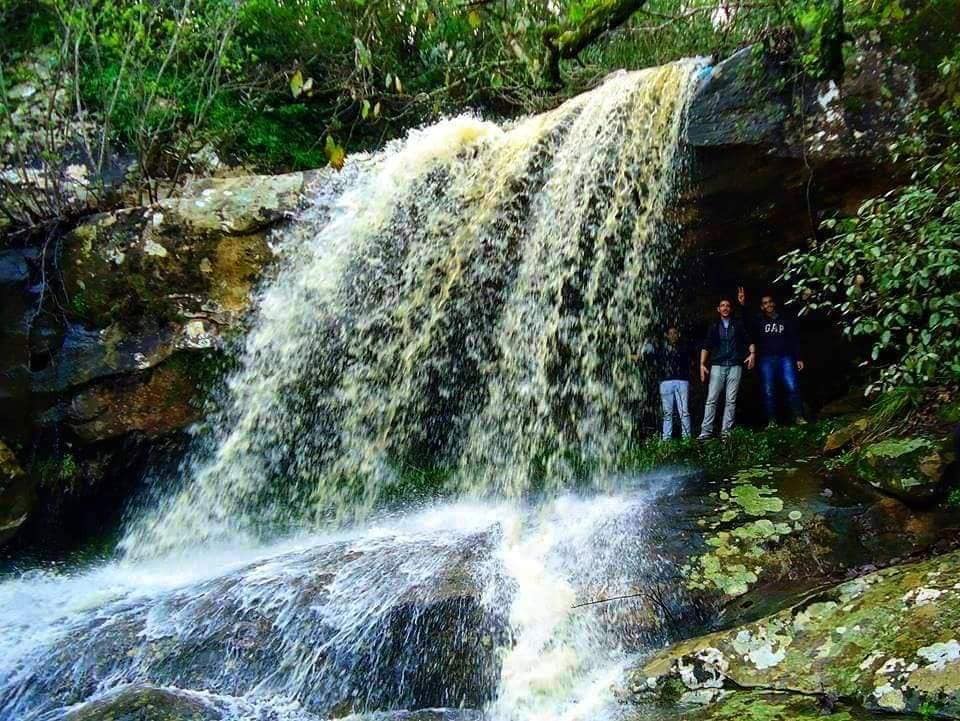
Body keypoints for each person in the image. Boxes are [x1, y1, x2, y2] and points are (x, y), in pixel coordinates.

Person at [737, 287, 806, 426]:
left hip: (785, 357)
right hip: (766, 359)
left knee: (792, 386)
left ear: (773, 304)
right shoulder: (759, 320)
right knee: (768, 389)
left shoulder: (784, 319)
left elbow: (793, 338)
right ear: (762, 307)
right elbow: (746, 323)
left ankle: (798, 417)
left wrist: (798, 357)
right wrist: (743, 305)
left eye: (770, 302)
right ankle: (772, 421)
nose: (768, 305)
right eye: (765, 303)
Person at [698, 297, 755, 440]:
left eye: (727, 306)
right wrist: (702, 364)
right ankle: (706, 432)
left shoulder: (737, 325)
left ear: (730, 309)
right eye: (722, 305)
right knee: (711, 399)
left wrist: (752, 354)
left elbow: (749, 340)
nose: (725, 308)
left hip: (735, 365)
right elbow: (706, 345)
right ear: (718, 309)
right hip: (717, 365)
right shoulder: (714, 326)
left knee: (731, 400)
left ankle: (726, 432)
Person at [656, 326, 693, 440]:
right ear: (666, 335)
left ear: (678, 335)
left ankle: (686, 439)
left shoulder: (685, 348)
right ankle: (666, 439)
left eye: (675, 333)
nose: (673, 335)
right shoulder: (661, 349)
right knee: (667, 413)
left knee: (684, 412)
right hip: (665, 382)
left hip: (681, 381)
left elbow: (691, 362)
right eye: (670, 333)